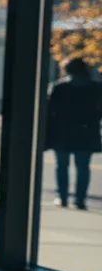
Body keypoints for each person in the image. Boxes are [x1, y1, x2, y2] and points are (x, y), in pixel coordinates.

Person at [45, 57, 102, 211]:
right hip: (86, 131)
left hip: (62, 131)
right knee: (83, 166)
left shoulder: (59, 87)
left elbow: (50, 112)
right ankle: (80, 199)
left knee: (62, 166)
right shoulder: (96, 88)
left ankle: (63, 197)